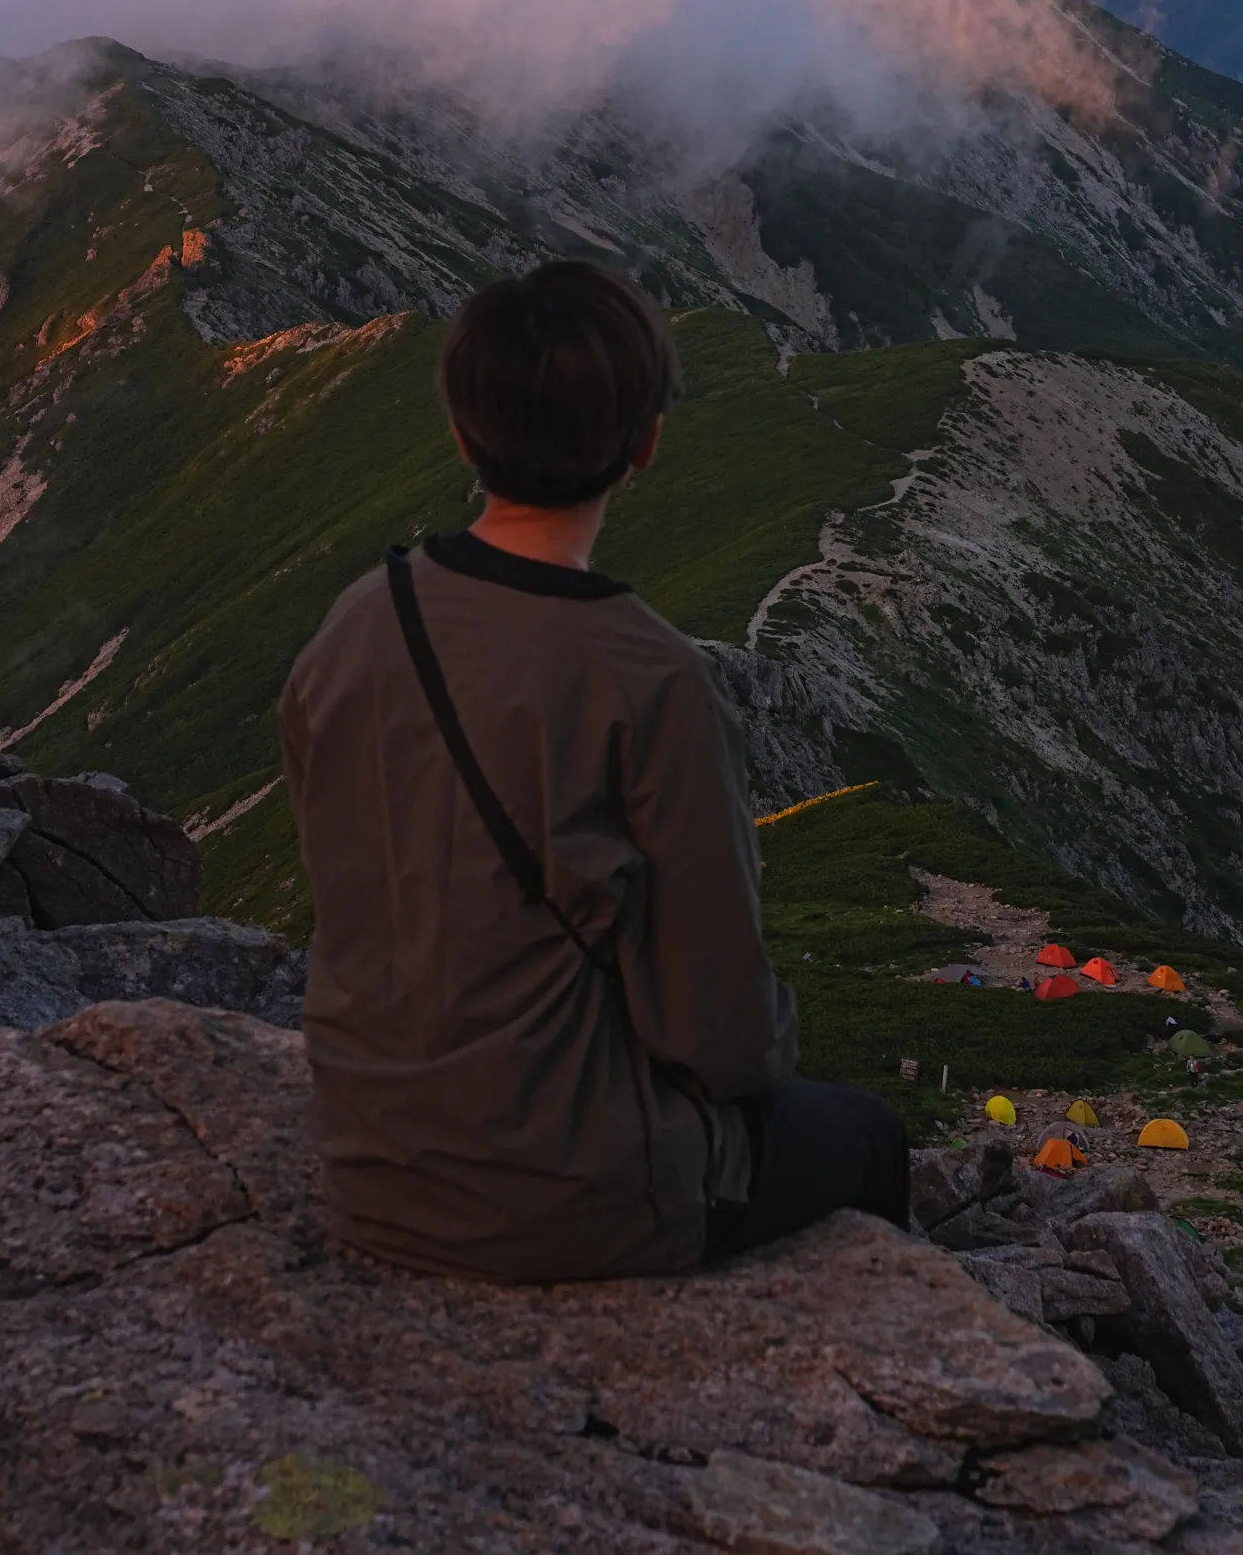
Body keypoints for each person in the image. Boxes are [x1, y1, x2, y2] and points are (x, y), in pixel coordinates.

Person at [279, 260, 907, 1283]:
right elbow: (718, 1026)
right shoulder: (649, 676)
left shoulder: (358, 620)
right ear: (646, 445)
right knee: (869, 1135)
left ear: (459, 431)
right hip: (568, 1196)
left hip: (365, 1160)